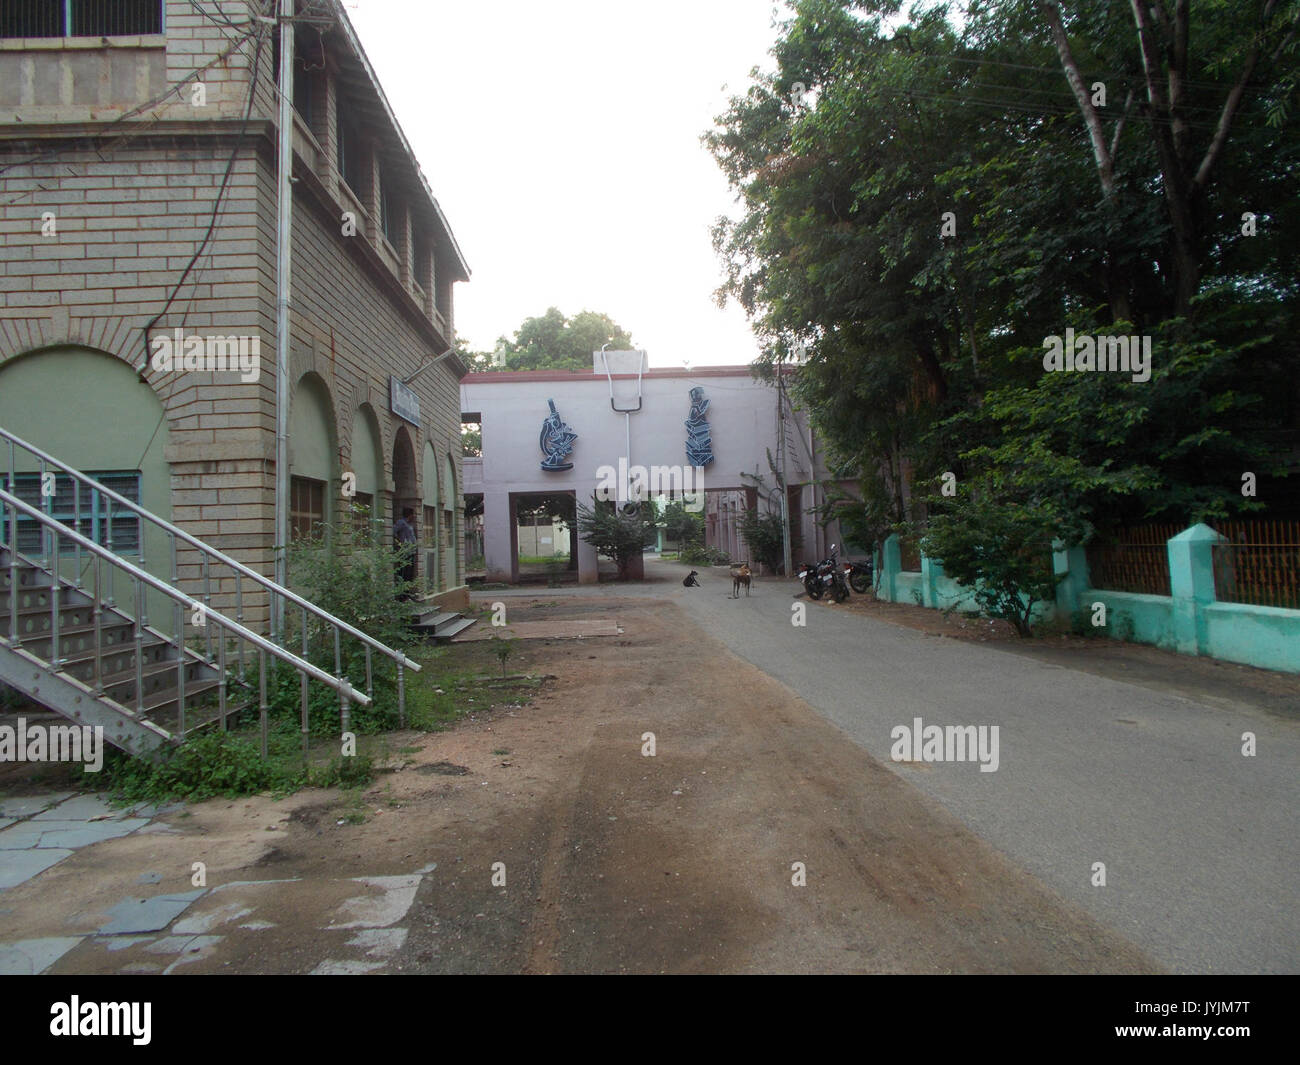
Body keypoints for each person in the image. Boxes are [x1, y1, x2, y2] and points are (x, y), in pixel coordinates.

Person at [394, 507, 418, 599]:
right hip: (405, 552)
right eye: (413, 514)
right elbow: (393, 532)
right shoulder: (401, 522)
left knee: (410, 574)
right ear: (410, 514)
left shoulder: (409, 524)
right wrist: (400, 543)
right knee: (404, 573)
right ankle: (402, 595)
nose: (414, 516)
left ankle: (407, 594)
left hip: (411, 552)